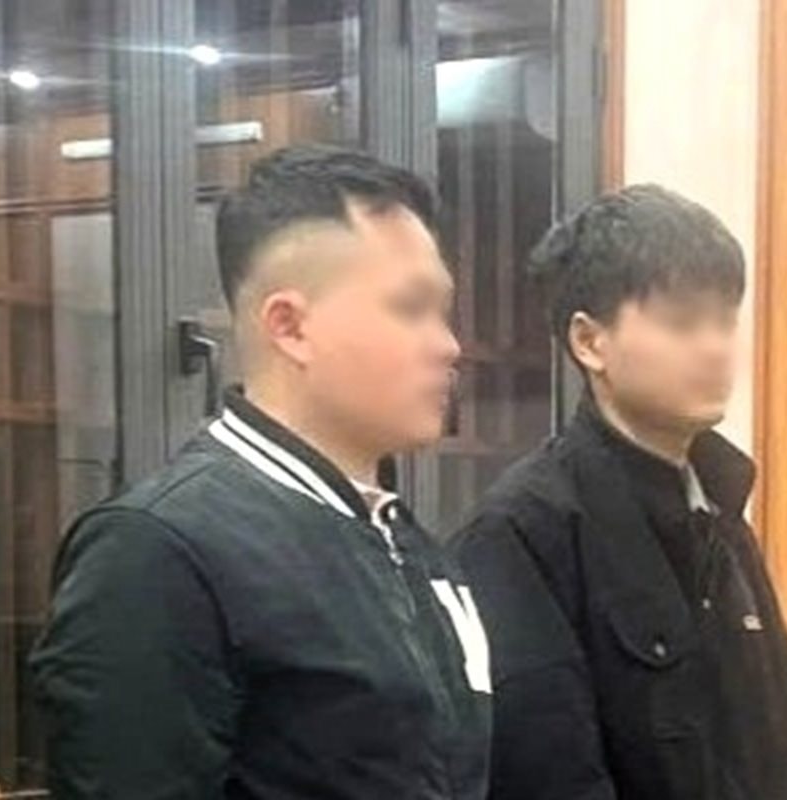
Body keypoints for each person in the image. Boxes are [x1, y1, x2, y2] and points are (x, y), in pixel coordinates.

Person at [31, 145, 491, 799]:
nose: (448, 345)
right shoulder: (156, 549)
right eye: (410, 308)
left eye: (443, 313)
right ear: (290, 326)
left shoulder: (407, 543)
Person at [452, 185, 787, 800]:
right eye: (682, 322)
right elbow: (547, 775)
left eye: (725, 321)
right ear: (590, 342)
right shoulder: (522, 531)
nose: (715, 347)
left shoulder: (720, 512)